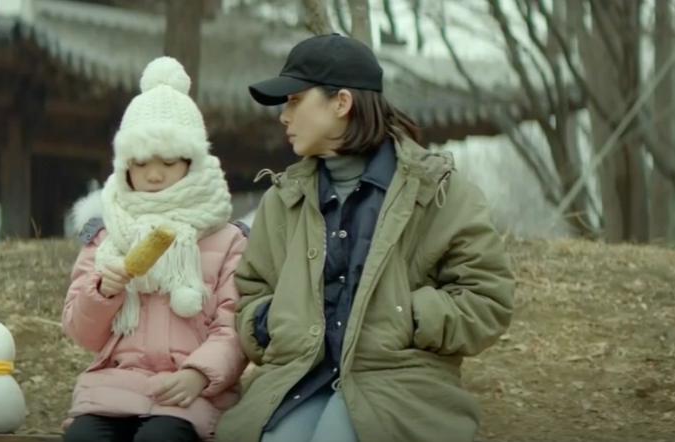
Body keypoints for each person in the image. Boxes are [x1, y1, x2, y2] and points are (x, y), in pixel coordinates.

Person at [213, 34, 516, 442]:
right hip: (299, 376)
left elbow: (488, 298)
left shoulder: (436, 190)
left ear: (341, 102)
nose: (284, 116)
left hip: (398, 380)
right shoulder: (282, 200)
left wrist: (408, 317)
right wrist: (271, 323)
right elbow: (251, 294)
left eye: (295, 100)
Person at [60, 56, 250, 442]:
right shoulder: (105, 236)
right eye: (141, 161)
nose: (154, 174)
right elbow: (81, 333)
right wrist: (103, 291)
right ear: (124, 165)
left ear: (192, 162)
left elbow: (234, 327)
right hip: (115, 386)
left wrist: (199, 374)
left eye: (168, 160)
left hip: (191, 391)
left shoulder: (228, 239)